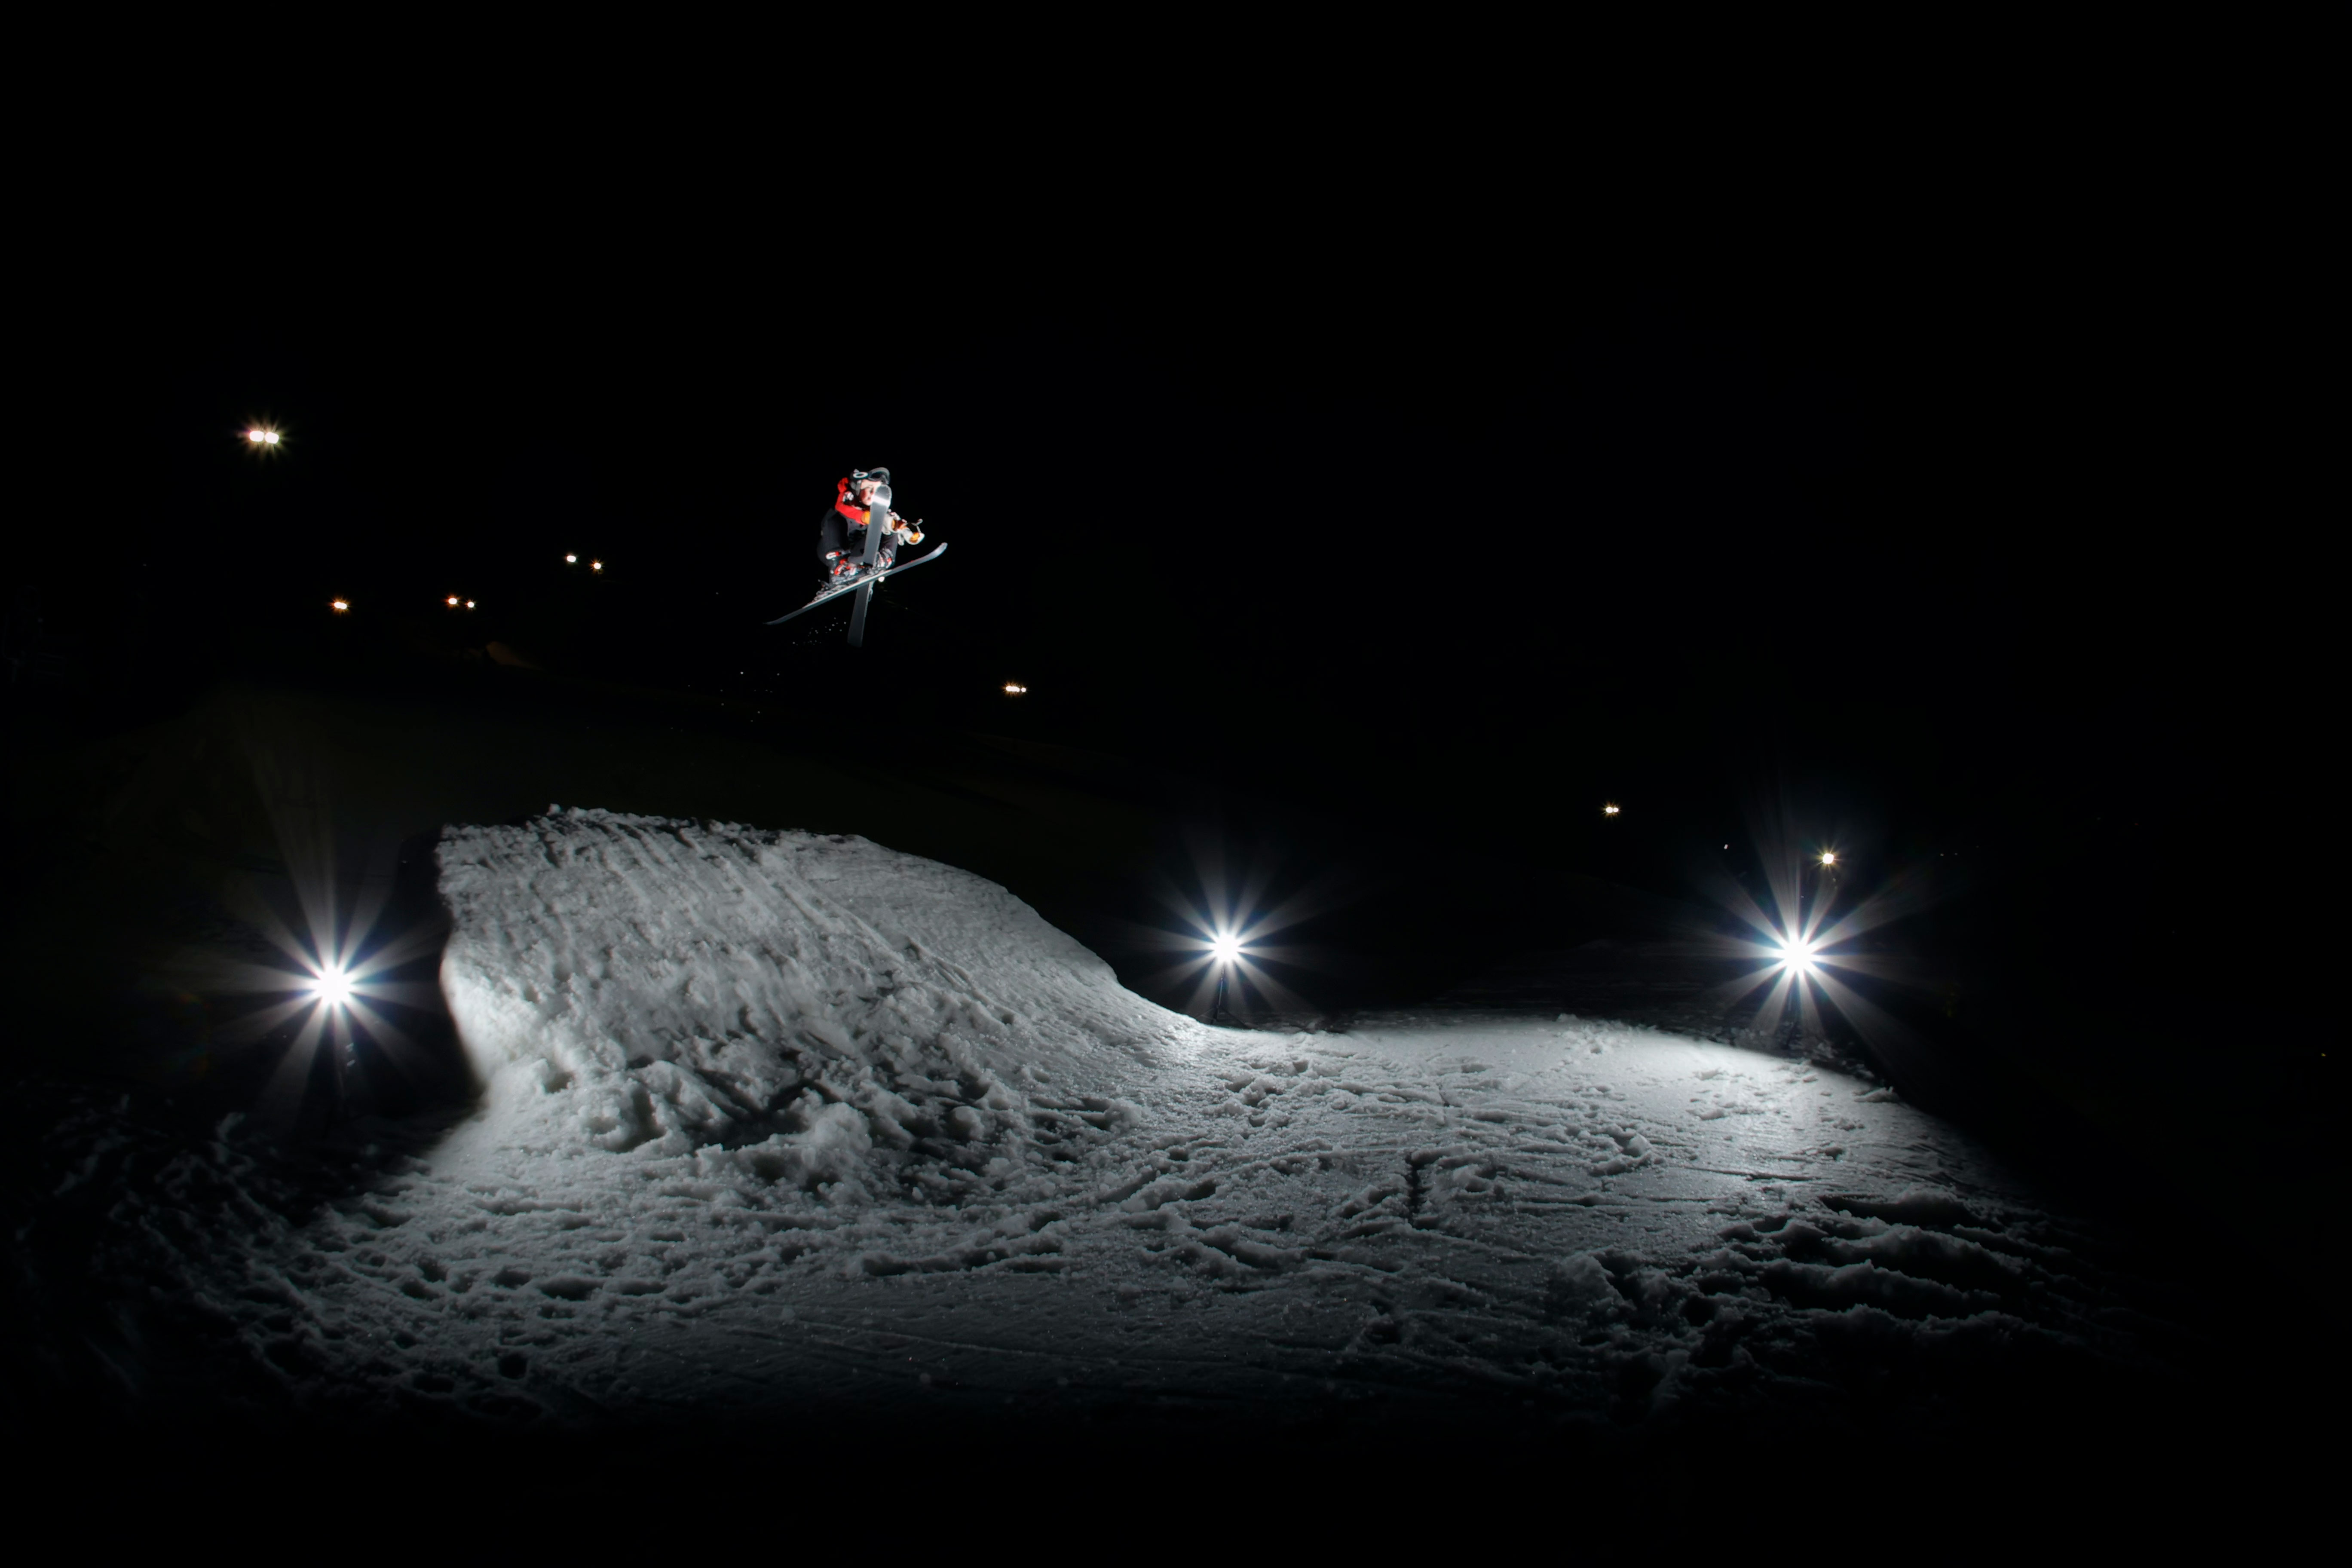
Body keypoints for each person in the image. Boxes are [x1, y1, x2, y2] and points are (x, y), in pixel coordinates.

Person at [818, 468, 923, 591]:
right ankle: (840, 571)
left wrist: (905, 530)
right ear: (858, 488)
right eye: (869, 489)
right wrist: (865, 517)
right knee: (834, 519)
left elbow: (894, 522)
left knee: (889, 528)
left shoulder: (877, 509)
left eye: (877, 491)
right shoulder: (849, 497)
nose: (873, 494)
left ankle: (884, 559)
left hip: (858, 552)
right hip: (834, 547)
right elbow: (842, 507)